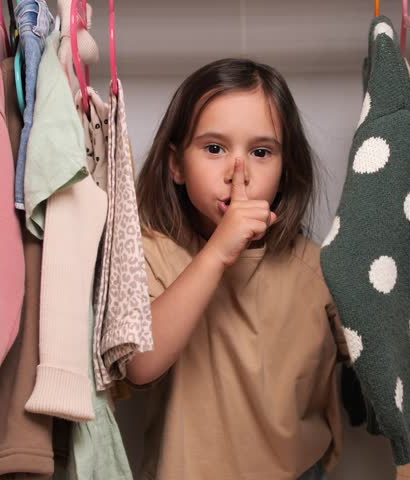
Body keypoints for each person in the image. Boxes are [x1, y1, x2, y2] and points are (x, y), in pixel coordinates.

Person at [130, 58, 348, 480]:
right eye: (214, 149)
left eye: (261, 152)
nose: (238, 172)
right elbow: (140, 365)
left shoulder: (316, 268)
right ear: (176, 165)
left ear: (285, 170)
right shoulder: (152, 251)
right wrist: (217, 253)